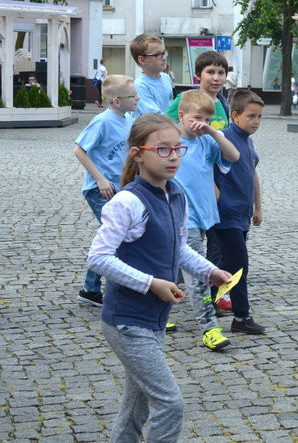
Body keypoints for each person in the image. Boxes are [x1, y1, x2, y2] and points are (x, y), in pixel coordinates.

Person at [87, 113, 232, 442]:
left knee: (135, 406)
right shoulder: (127, 202)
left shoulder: (175, 194)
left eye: (178, 149)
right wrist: (150, 283)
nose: (173, 156)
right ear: (138, 153)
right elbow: (97, 258)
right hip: (126, 321)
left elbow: (178, 248)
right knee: (170, 402)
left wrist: (209, 270)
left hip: (152, 319)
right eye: (162, 150)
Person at [173, 90, 241, 350]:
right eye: (196, 118)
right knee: (198, 275)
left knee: (174, 268)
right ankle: (209, 328)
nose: (201, 124)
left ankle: (159, 311)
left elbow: (233, 155)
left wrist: (213, 132)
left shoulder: (206, 141)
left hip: (202, 216)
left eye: (207, 119)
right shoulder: (171, 141)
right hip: (181, 219)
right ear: (182, 116)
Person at [73, 75, 139, 306]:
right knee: (117, 237)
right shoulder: (102, 122)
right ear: (117, 101)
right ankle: (112, 291)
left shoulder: (129, 118)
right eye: (133, 95)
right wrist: (100, 179)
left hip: (120, 188)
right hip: (100, 190)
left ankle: (90, 290)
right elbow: (79, 150)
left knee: (114, 236)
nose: (137, 98)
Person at [213, 90, 266, 335]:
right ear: (235, 115)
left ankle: (211, 300)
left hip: (242, 213)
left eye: (259, 117)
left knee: (225, 261)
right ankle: (241, 317)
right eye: (251, 116)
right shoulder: (224, 137)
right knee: (239, 265)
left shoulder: (248, 140)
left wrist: (258, 206)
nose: (256, 121)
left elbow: (252, 173)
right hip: (225, 214)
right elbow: (206, 168)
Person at [165, 51, 231, 130]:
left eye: (221, 73)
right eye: (210, 72)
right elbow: (162, 125)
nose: (216, 78)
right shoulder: (187, 97)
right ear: (198, 75)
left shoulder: (223, 103)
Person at [129, 34, 174, 118]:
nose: (164, 58)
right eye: (157, 55)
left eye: (164, 53)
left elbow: (168, 105)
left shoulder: (166, 77)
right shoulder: (140, 85)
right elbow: (154, 116)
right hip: (147, 130)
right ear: (142, 60)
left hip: (165, 127)